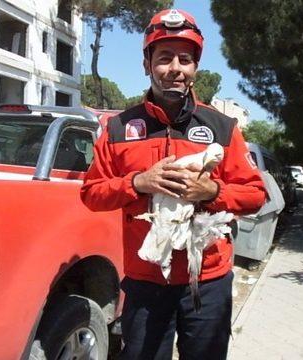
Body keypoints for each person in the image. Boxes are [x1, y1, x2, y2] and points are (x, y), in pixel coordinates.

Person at [80, 8, 266, 360]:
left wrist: (212, 192)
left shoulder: (222, 127)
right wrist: (138, 182)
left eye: (185, 59)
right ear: (147, 63)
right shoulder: (119, 128)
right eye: (164, 58)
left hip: (207, 281)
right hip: (145, 281)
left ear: (195, 67)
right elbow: (91, 193)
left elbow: (256, 194)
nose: (175, 68)